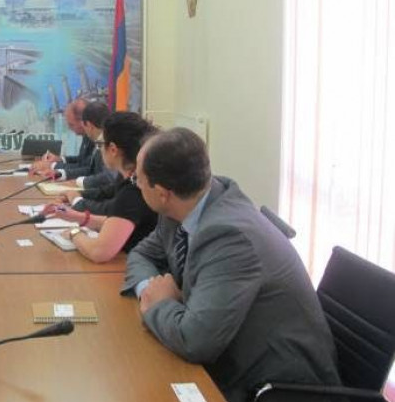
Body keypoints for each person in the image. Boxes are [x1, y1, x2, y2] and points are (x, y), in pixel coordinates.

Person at [123, 127, 341, 402]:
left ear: (162, 192)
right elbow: (141, 255)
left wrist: (159, 303)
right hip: (227, 347)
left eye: (138, 180)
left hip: (274, 385)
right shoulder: (184, 204)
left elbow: (194, 342)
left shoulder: (229, 237)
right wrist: (149, 288)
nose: (136, 184)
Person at [42, 112, 158, 263]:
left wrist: (74, 232)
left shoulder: (134, 189)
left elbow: (98, 252)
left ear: (113, 150)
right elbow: (117, 221)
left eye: (100, 145)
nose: (100, 150)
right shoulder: (131, 178)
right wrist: (74, 216)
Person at [31, 98, 95, 180]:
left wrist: (52, 166)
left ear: (84, 122)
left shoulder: (96, 138)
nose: (69, 128)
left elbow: (88, 168)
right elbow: (82, 160)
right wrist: (60, 159)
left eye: (71, 125)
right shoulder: (86, 135)